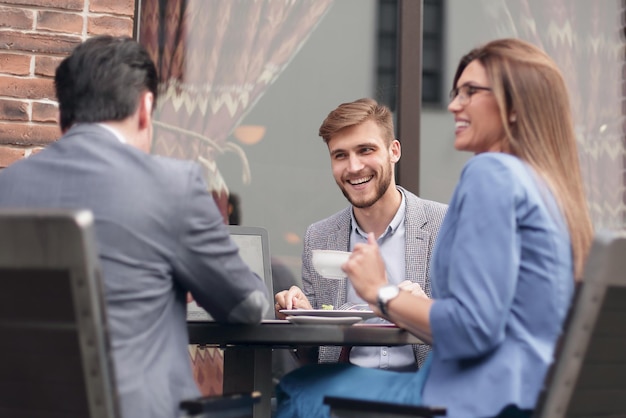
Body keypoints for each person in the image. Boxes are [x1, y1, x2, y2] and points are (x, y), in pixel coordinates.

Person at [274, 38, 594, 418]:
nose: (454, 105)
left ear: (514, 106)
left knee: (297, 389)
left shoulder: (490, 174)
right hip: (521, 398)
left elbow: (471, 330)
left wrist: (381, 292)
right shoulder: (544, 187)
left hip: (469, 399)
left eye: (470, 92)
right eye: (455, 92)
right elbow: (492, 323)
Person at [0, 36, 269, 418]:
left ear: (64, 117)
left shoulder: (7, 186)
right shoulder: (174, 185)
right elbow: (247, 306)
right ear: (145, 109)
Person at [274, 98, 447, 371]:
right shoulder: (319, 237)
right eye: (340, 155)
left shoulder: (445, 225)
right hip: (343, 395)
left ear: (394, 151)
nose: (353, 167)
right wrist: (302, 321)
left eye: (365, 150)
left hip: (422, 394)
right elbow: (315, 359)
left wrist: (424, 309)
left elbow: (471, 330)